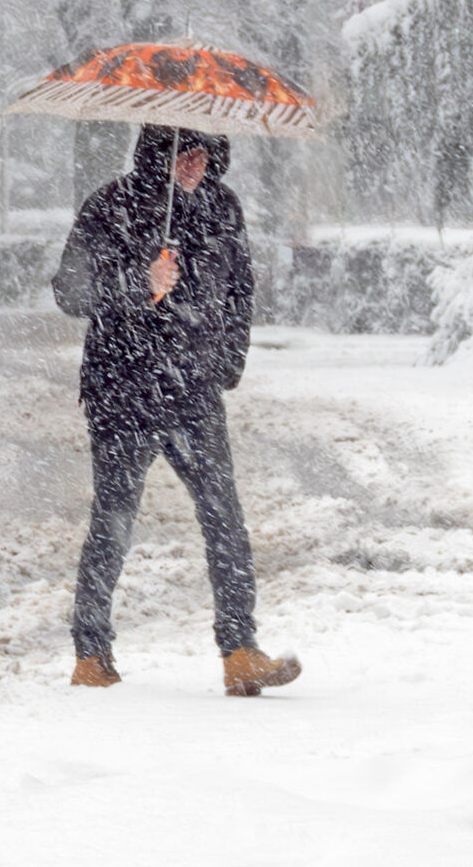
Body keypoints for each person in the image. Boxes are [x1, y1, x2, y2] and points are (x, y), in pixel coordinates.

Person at [53, 124, 301, 696]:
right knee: (113, 520)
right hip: (122, 389)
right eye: (182, 151)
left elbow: (240, 291)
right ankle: (91, 655)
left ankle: (239, 651)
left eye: (205, 153)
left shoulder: (222, 208)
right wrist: (140, 283)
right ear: (157, 151)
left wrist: (227, 363)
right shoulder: (111, 205)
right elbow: (70, 290)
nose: (193, 163)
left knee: (224, 517)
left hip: (192, 390)